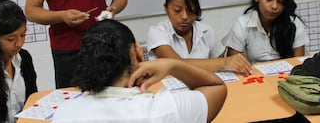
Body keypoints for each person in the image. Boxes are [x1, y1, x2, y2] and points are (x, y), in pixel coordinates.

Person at [52, 19, 227, 123]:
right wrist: (172, 65)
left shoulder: (64, 114)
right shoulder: (164, 109)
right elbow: (216, 86)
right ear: (137, 51)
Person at [146, 0, 252, 74]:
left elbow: (220, 67)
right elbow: (176, 64)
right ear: (166, 8)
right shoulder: (157, 32)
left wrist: (230, 62)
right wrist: (224, 62)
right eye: (177, 10)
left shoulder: (207, 31)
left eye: (190, 10)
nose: (184, 16)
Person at [222, 0, 309, 64]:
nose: (274, 6)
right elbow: (234, 64)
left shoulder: (294, 23)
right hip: (255, 76)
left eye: (280, 1)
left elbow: (298, 63)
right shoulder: (242, 24)